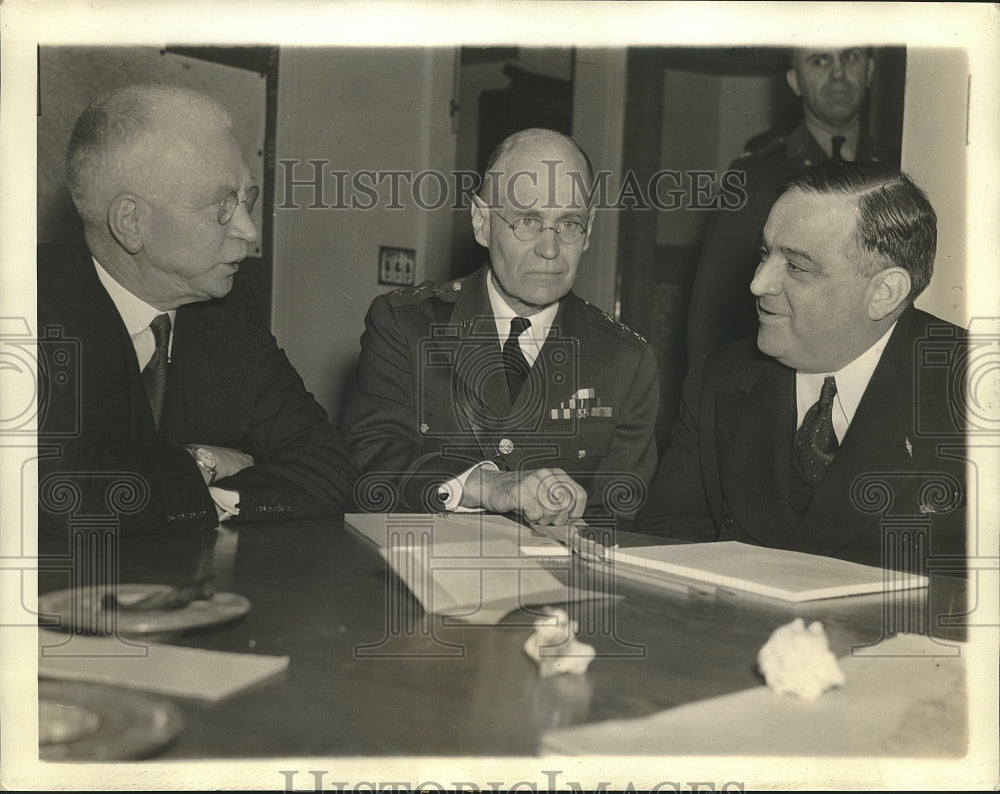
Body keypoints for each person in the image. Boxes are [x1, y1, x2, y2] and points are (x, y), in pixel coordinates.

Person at [37, 83, 355, 544]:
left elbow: (330, 463)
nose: (248, 232)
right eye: (220, 206)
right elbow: (52, 493)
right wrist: (200, 463)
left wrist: (217, 500)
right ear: (131, 223)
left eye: (245, 200)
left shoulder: (227, 314)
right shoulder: (28, 301)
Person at [635, 162, 967, 569]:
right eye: (765, 254)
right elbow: (663, 547)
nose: (758, 283)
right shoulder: (719, 378)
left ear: (883, 292)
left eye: (796, 266)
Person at [340, 128, 660, 527]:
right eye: (528, 221)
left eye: (569, 224)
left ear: (589, 230)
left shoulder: (625, 362)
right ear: (482, 222)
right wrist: (490, 486)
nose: (550, 248)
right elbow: (368, 467)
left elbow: (615, 522)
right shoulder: (406, 326)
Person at [687, 46, 900, 363]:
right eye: (820, 60)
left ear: (869, 71)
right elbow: (713, 311)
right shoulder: (755, 175)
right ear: (794, 81)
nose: (839, 73)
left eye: (851, 57)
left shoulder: (897, 171)